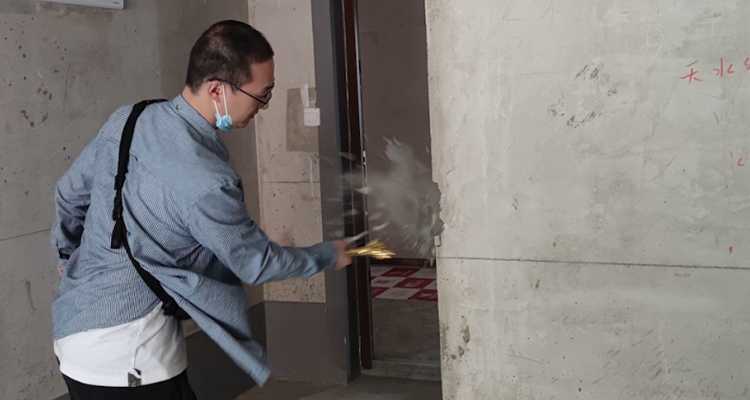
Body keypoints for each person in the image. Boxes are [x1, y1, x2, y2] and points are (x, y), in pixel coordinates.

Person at [50, 20, 352, 400]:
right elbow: (255, 264)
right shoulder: (208, 183)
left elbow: (69, 194)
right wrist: (328, 254)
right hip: (131, 355)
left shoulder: (128, 120)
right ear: (217, 90)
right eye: (262, 94)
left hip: (74, 335)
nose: (265, 105)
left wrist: (66, 254)